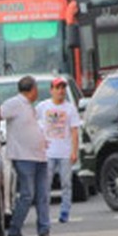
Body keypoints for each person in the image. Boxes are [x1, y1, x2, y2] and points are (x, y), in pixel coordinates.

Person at [0, 75, 50, 236]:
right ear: (32, 89)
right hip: (24, 156)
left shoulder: (29, 106)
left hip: (39, 156)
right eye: (36, 89)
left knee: (42, 194)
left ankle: (44, 230)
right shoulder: (15, 103)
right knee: (27, 195)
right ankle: (14, 230)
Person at [36, 76, 82, 223]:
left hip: (64, 152)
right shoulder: (43, 107)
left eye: (63, 88)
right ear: (52, 90)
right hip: (48, 153)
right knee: (45, 185)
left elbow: (75, 131)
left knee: (66, 184)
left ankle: (64, 212)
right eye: (57, 88)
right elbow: (33, 123)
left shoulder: (70, 108)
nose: (60, 91)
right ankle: (44, 214)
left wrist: (74, 151)